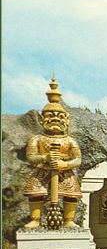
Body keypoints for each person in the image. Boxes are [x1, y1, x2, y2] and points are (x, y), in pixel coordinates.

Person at [23, 78, 82, 229]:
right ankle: (35, 219)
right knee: (35, 192)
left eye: (60, 116)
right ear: (42, 119)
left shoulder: (69, 140)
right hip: (43, 169)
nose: (55, 119)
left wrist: (65, 164)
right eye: (50, 116)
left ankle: (69, 220)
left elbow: (78, 159)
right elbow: (30, 158)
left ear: (66, 121)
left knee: (71, 194)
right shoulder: (37, 139)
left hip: (64, 171)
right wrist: (45, 157)